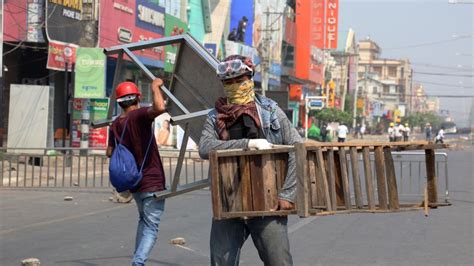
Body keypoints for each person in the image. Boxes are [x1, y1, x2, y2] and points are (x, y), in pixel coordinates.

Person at [198, 54, 301, 266]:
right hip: (229, 202)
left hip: (268, 202)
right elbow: (205, 147)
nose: (234, 85)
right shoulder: (214, 116)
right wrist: (246, 144)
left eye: (240, 80)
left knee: (279, 261)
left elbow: (297, 148)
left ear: (250, 78)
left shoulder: (271, 111)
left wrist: (288, 194)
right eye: (228, 82)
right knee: (221, 261)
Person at [106, 79, 167, 266]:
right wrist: (155, 86)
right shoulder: (139, 116)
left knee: (143, 221)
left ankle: (136, 258)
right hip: (152, 181)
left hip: (134, 183)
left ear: (119, 102)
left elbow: (109, 152)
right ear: (137, 99)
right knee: (151, 228)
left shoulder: (116, 124)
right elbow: (159, 108)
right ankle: (138, 262)